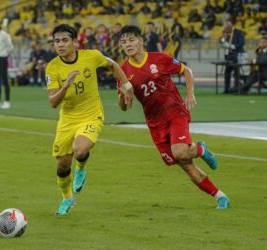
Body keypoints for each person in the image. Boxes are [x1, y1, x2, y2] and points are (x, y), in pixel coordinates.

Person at [117, 25, 230, 209]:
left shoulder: (159, 59)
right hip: (155, 123)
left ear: (141, 41)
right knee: (184, 163)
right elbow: (123, 107)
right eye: (123, 42)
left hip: (175, 112)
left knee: (179, 152)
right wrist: (123, 95)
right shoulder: (122, 72)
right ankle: (220, 196)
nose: (127, 44)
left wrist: (190, 93)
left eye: (131, 40)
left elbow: (187, 71)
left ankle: (200, 149)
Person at [45, 24, 133, 216]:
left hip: (91, 114)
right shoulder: (52, 68)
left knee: (80, 148)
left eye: (64, 40)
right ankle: (67, 198)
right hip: (67, 119)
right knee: (62, 165)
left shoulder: (91, 56)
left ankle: (82, 166)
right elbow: (53, 102)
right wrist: (66, 85)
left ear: (75, 42)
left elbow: (113, 65)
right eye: (56, 41)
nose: (60, 45)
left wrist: (127, 85)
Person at [219, 21, 245, 94]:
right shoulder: (226, 33)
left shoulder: (238, 32)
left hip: (237, 55)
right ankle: (227, 89)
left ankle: (236, 89)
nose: (226, 30)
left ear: (231, 27)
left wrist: (233, 46)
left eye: (227, 28)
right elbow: (221, 42)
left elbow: (242, 42)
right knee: (227, 73)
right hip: (228, 57)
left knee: (236, 73)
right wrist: (223, 38)